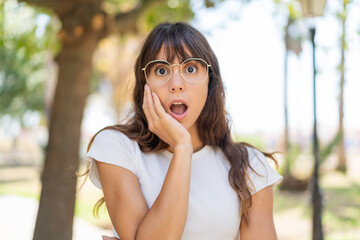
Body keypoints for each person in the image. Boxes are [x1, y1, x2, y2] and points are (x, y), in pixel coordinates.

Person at [84, 22, 283, 240]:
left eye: (190, 69)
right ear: (144, 84)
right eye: (161, 70)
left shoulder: (250, 167)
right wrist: (182, 146)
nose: (176, 84)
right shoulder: (116, 147)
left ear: (210, 80)